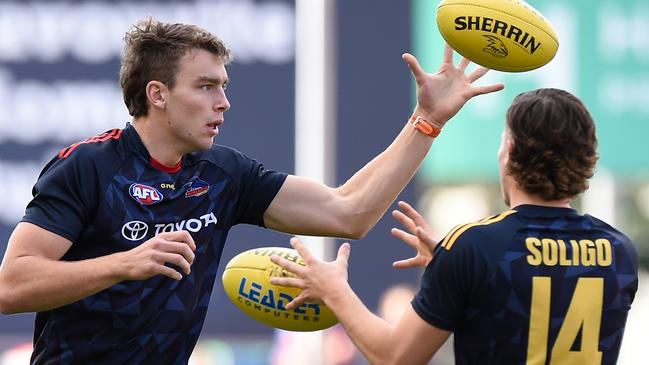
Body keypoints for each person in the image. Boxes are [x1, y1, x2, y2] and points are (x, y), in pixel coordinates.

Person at [0, 18, 503, 364]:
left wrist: (428, 121)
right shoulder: (87, 166)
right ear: (157, 94)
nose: (224, 102)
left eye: (224, 85)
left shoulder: (223, 173)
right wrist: (124, 263)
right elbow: (11, 287)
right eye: (205, 87)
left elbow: (348, 212)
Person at [271, 88, 640, 365]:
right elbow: (547, 287)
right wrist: (460, 270)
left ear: (509, 151)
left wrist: (335, 290)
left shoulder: (474, 246)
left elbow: (395, 357)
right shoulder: (619, 250)